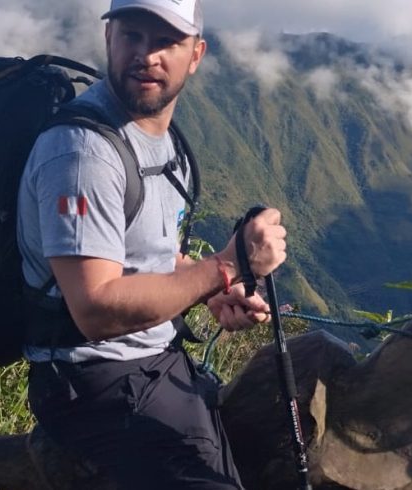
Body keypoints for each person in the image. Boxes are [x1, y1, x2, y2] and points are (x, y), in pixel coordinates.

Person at [16, 0, 286, 488]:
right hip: (92, 380)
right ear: (108, 40)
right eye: (132, 36)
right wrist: (226, 266)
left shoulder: (163, 139)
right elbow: (95, 309)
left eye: (166, 41)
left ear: (196, 54)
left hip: (155, 364)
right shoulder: (82, 153)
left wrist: (210, 290)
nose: (147, 55)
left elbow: (148, 257)